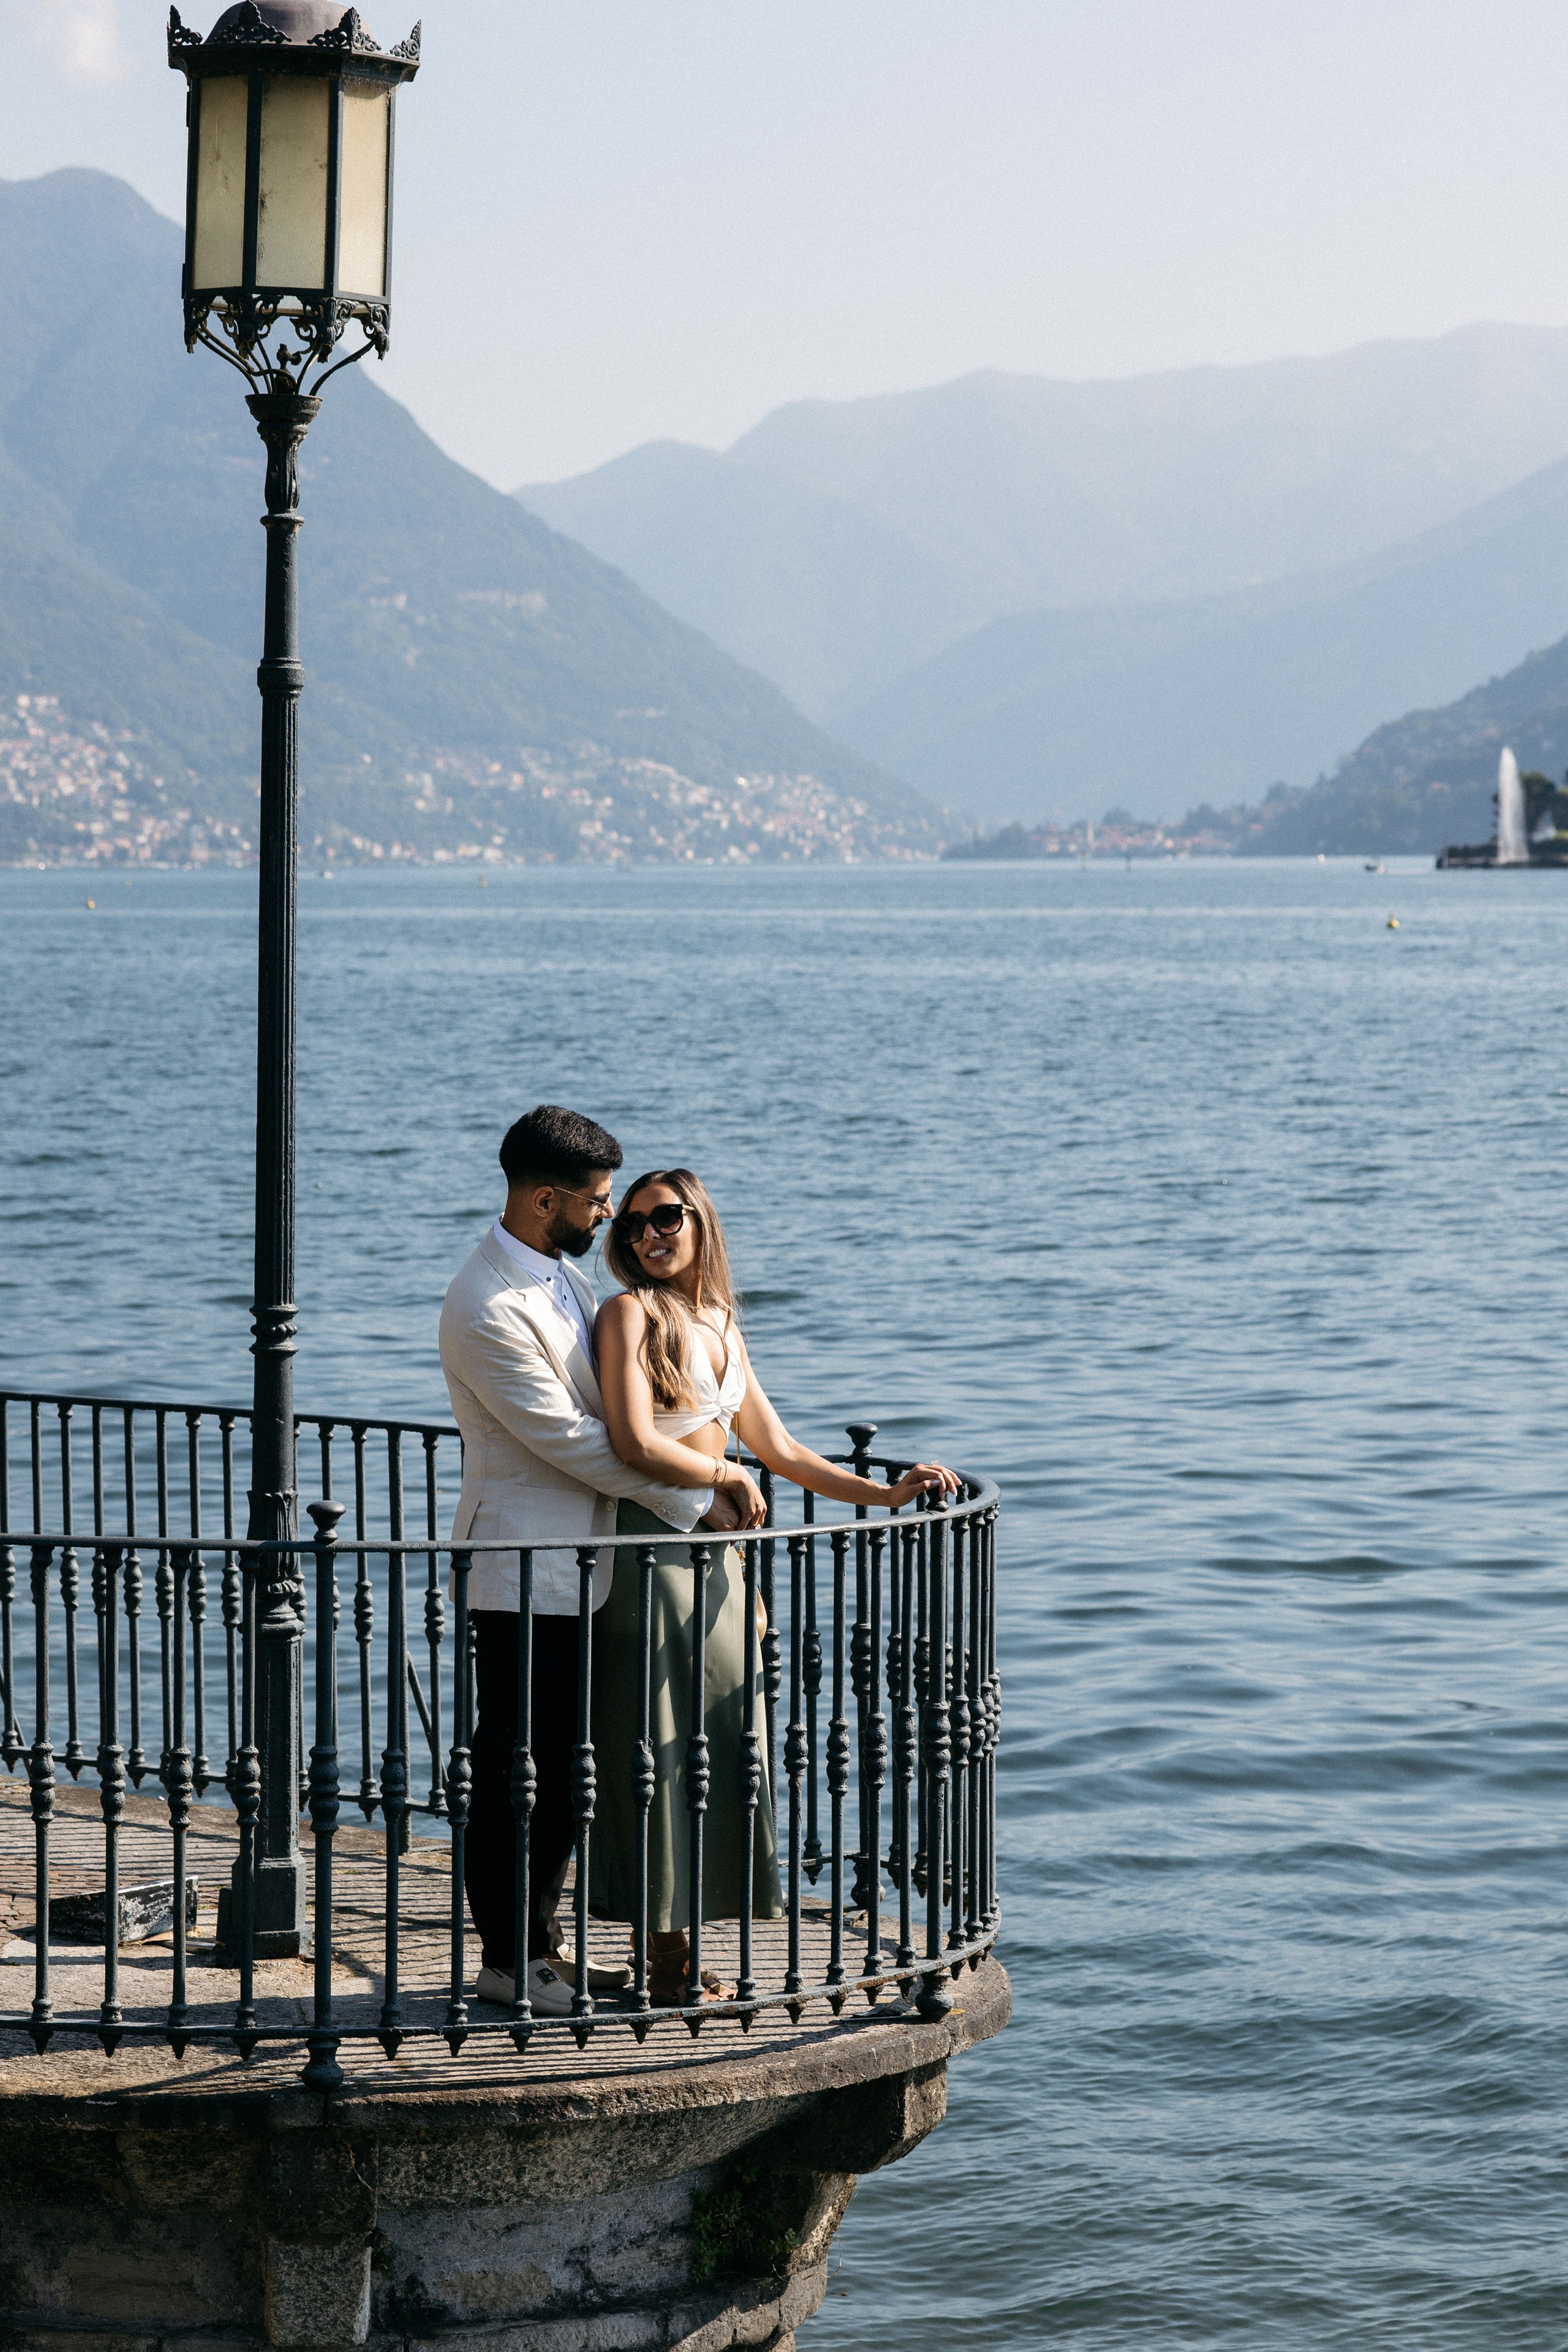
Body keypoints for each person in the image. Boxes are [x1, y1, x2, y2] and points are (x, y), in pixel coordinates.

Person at [591, 1167, 959, 2005]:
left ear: (699, 1225)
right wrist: (724, 1470)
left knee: (722, 1746)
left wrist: (888, 1494)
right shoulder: (626, 1316)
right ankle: (666, 1963)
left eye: (668, 1219)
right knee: (657, 1749)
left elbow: (785, 1453)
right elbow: (631, 1442)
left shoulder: (720, 1323)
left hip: (720, 1565)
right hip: (653, 1553)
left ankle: (686, 1948)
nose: (650, 1234)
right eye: (635, 1223)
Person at [439, 1109, 761, 2016]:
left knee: (558, 1770)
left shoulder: (565, 1281)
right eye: (597, 1203)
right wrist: (704, 1486)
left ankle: (543, 1950)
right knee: (515, 1771)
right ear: (547, 1199)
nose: (610, 1219)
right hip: (521, 1566)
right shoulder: (485, 1304)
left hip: (589, 1567)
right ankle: (509, 1962)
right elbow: (571, 1442)